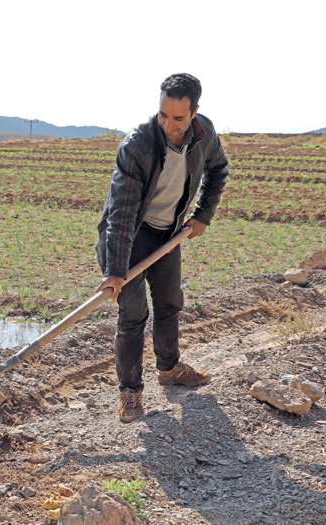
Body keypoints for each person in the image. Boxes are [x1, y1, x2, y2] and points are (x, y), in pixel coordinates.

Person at [95, 73, 229, 422]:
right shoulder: (138, 145)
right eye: (163, 115)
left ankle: (169, 369)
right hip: (130, 234)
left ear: (195, 112)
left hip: (169, 234)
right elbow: (122, 214)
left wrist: (202, 215)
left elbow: (219, 170)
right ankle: (130, 391)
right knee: (133, 312)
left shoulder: (205, 135)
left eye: (178, 118)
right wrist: (115, 271)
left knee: (169, 302)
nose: (169, 124)